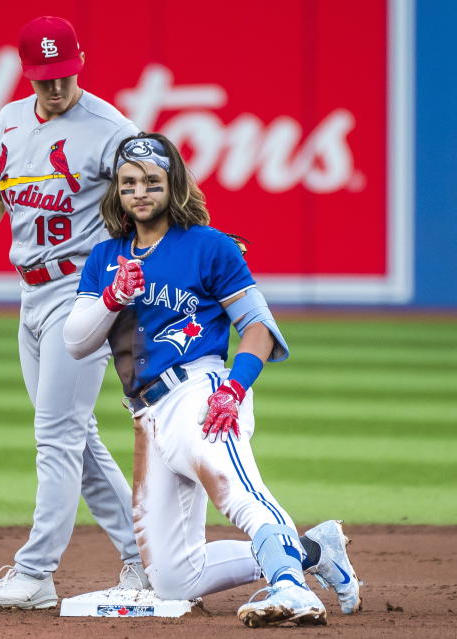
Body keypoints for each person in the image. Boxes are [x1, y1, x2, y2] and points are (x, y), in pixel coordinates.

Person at [62, 133, 361, 627]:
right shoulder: (104, 259)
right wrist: (112, 295)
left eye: (152, 181)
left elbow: (259, 329)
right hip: (148, 417)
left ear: (173, 184)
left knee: (239, 494)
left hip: (200, 396)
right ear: (117, 191)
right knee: (173, 578)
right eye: (129, 183)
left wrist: (234, 389)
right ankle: (313, 549)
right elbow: (76, 342)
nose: (140, 192)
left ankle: (292, 588)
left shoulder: (210, 246)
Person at [0, 16, 148, 609]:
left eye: (64, 75)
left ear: (81, 62)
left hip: (85, 295)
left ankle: (36, 572)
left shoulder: (112, 129)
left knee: (56, 437)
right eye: (45, 78)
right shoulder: (9, 122)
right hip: (31, 293)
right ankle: (143, 557)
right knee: (79, 439)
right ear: (27, 75)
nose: (56, 88)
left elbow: (154, 199)